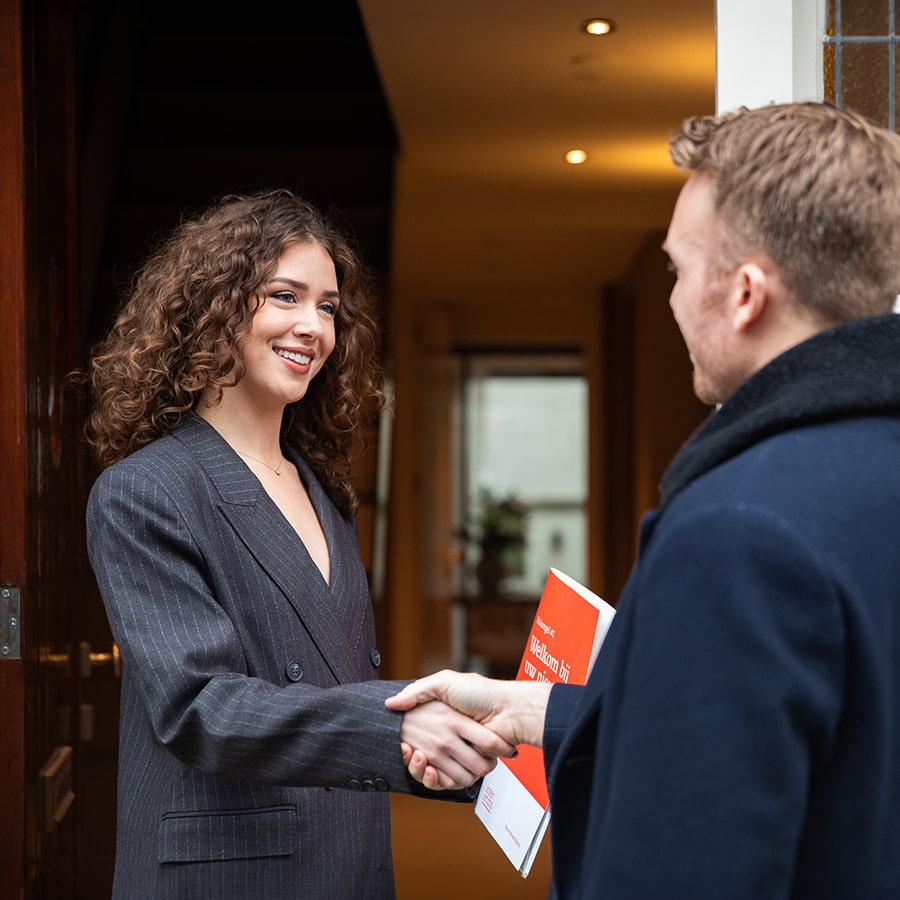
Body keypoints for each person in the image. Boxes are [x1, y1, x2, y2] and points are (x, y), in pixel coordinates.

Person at [387, 101, 900, 898]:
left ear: (745, 296)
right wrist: (540, 711)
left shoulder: (736, 534)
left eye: (678, 269)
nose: (669, 299)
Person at [81, 189, 514, 900]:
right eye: (285, 296)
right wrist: (398, 729)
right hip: (234, 873)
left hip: (351, 855)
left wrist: (449, 748)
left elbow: (328, 681)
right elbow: (201, 708)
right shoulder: (146, 491)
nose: (312, 326)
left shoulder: (320, 488)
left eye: (328, 308)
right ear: (216, 306)